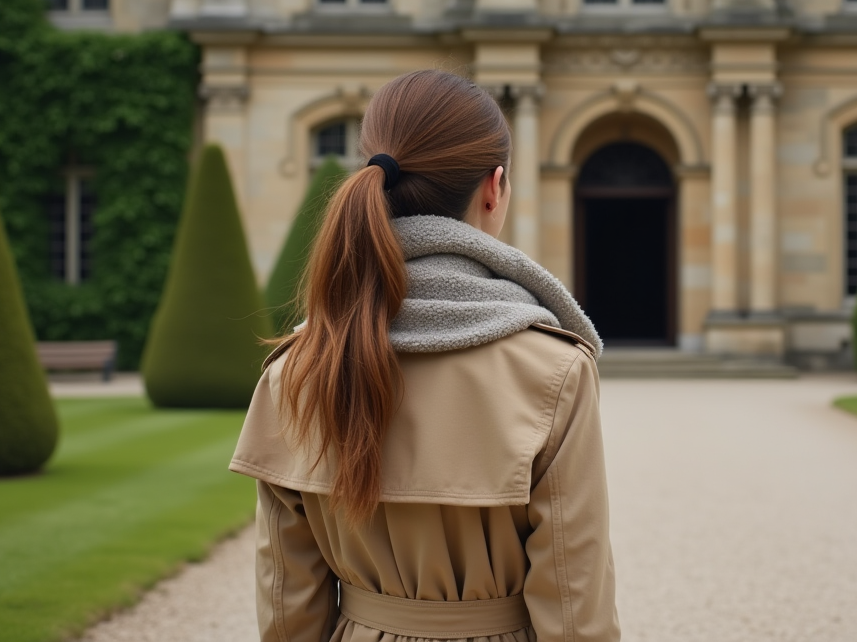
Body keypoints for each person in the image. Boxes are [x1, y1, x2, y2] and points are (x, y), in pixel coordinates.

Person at [230, 69, 619, 642]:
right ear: (495, 186)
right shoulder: (554, 368)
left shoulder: (300, 365)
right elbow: (574, 595)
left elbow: (288, 601)